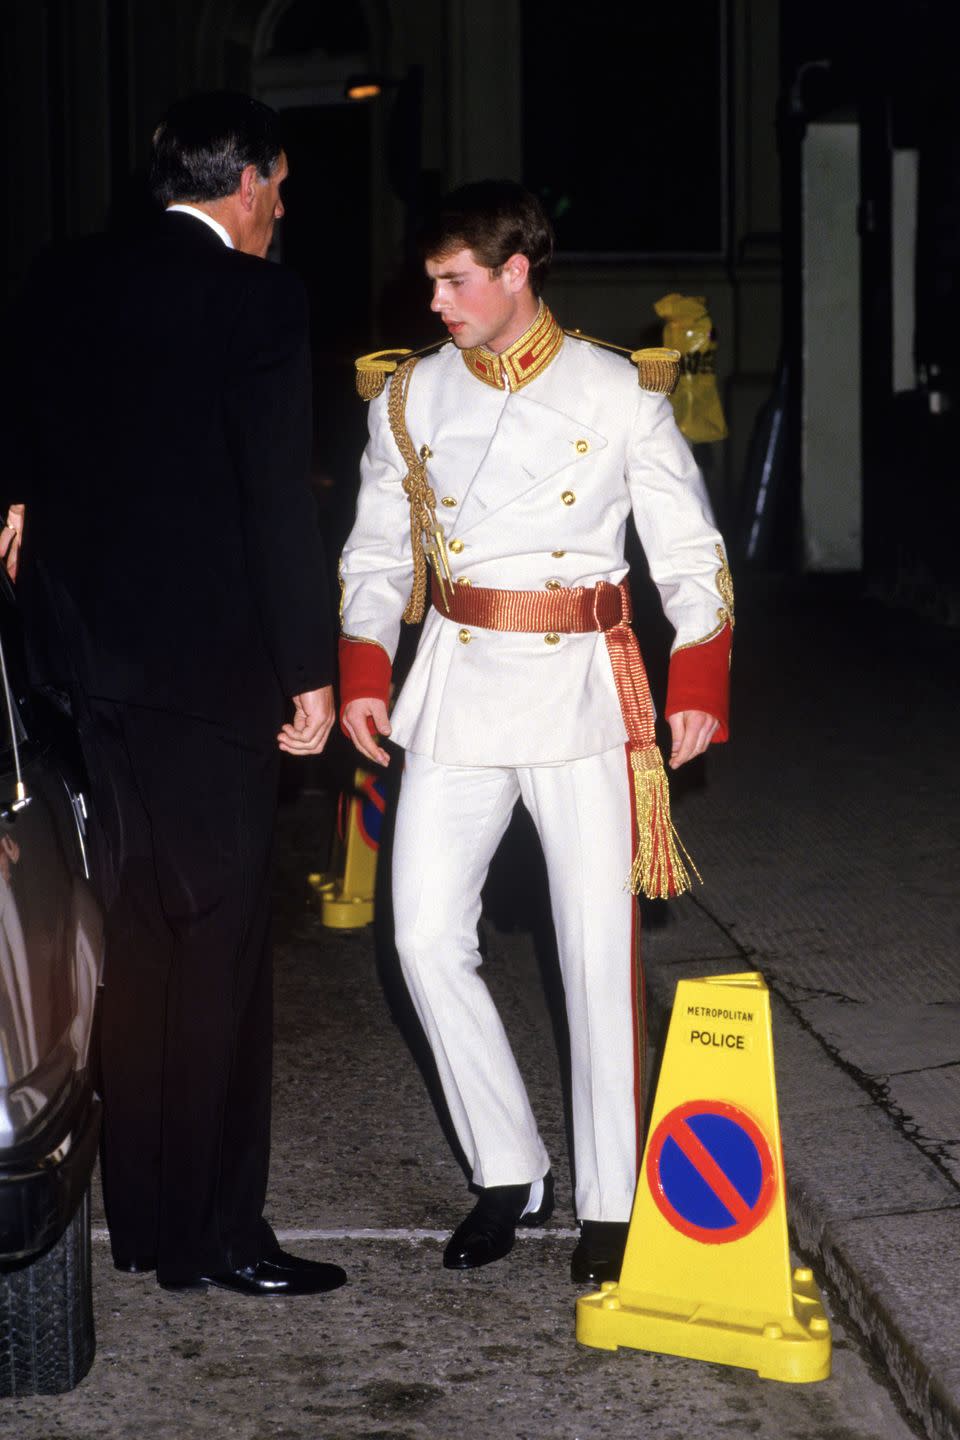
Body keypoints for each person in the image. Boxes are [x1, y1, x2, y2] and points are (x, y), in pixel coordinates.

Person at [338, 180, 733, 1285]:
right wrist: (367, 663)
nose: (437, 300)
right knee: (418, 934)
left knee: (594, 955)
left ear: (517, 273)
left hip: (580, 691)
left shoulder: (620, 393)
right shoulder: (407, 398)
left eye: (455, 279)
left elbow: (689, 554)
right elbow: (375, 553)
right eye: (430, 281)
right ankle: (509, 1167)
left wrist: (698, 669)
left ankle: (612, 1199)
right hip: (458, 682)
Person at [1, 92, 345, 1296]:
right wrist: (314, 669)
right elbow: (273, 498)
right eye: (282, 186)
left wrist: (20, 508)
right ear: (245, 183)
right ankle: (214, 1234)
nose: (284, 209)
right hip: (211, 680)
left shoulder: (62, 275)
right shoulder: (259, 299)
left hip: (91, 676)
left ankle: (143, 1220)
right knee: (223, 949)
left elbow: (22, 421)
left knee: (141, 932)